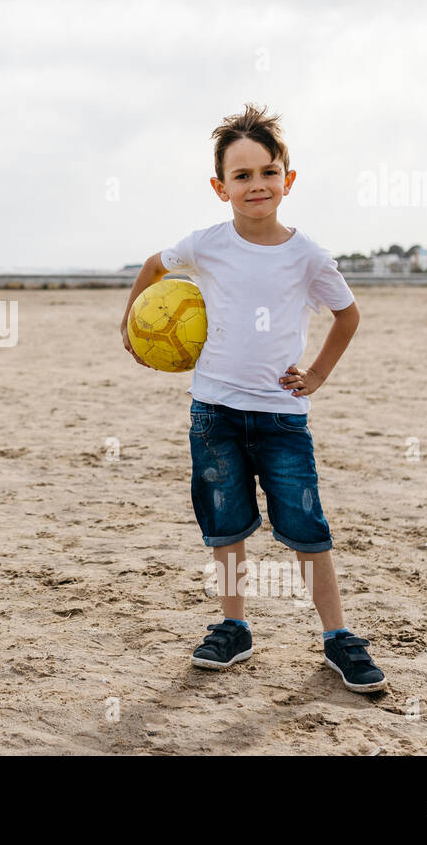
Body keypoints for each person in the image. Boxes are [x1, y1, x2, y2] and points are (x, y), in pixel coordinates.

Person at [119, 103, 384, 693]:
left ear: (288, 179)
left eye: (267, 172)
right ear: (220, 188)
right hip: (213, 412)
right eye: (241, 176)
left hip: (281, 418)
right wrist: (129, 326)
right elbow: (152, 266)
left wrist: (315, 375)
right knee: (226, 525)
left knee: (307, 528)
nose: (256, 185)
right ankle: (234, 626)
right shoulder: (206, 245)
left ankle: (338, 637)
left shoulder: (307, 255)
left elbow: (348, 314)